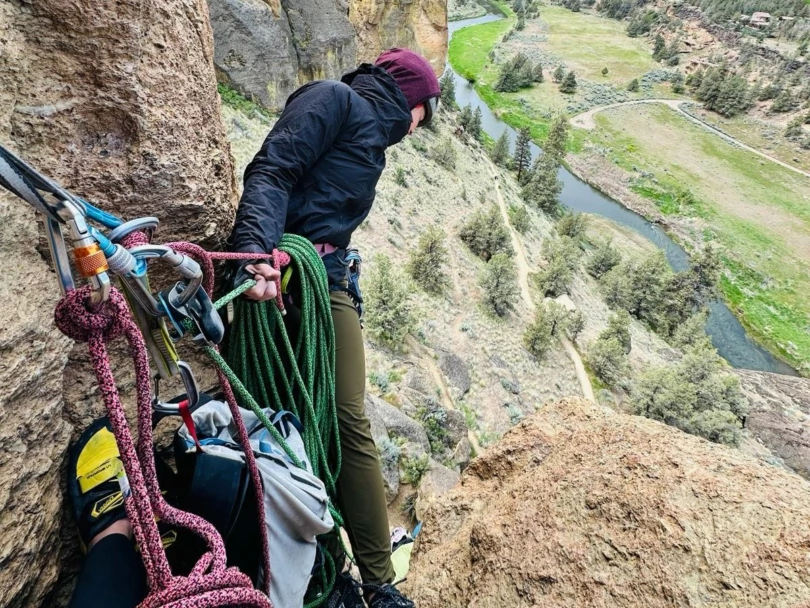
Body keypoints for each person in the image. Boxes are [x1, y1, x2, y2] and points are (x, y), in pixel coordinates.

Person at [229, 48, 440, 607]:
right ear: (411, 100)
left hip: (328, 279)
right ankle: (322, 561)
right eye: (425, 112)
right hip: (284, 271)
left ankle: (375, 582)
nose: (420, 128)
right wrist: (252, 253)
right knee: (297, 419)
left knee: (343, 417)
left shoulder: (373, 141)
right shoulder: (334, 100)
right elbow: (274, 168)